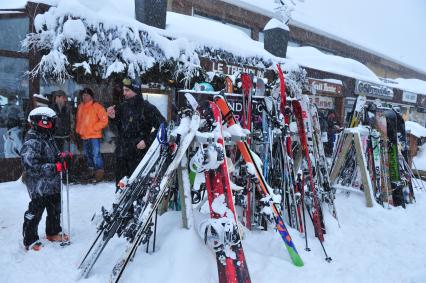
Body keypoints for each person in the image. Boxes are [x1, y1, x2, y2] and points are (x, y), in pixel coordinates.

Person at [20, 106, 68, 251]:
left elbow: (51, 155)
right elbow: (31, 165)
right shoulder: (32, 141)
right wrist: (55, 167)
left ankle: (52, 232)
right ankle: (30, 239)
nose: (52, 125)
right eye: (49, 122)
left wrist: (61, 157)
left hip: (52, 182)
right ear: (40, 122)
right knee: (36, 211)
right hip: (39, 184)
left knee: (55, 208)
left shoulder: (47, 137)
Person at [107, 78, 165, 189]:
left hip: (138, 156)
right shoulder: (123, 107)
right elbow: (119, 129)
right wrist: (113, 118)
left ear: (136, 90)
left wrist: (147, 141)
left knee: (136, 190)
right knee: (121, 189)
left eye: (127, 90)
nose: (124, 93)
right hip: (122, 156)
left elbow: (163, 127)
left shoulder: (147, 108)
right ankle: (121, 205)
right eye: (123, 90)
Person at [76, 87, 108, 182]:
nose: (85, 97)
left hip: (94, 136)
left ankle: (99, 173)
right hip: (84, 136)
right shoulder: (80, 106)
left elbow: (104, 120)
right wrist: (78, 130)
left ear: (91, 96)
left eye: (87, 95)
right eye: (83, 95)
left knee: (96, 155)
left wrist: (94, 128)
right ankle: (91, 171)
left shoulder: (97, 106)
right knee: (87, 155)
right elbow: (79, 120)